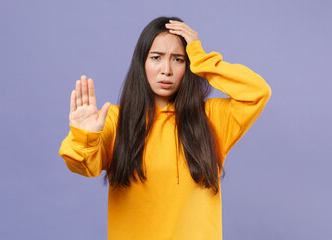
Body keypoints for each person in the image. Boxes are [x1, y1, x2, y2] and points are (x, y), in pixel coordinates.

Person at [59, 16, 271, 240]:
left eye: (178, 59)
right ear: (142, 63)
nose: (166, 69)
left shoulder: (211, 118)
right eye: (156, 57)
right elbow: (81, 165)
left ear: (187, 66)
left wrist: (200, 58)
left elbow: (257, 92)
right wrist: (84, 137)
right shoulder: (115, 120)